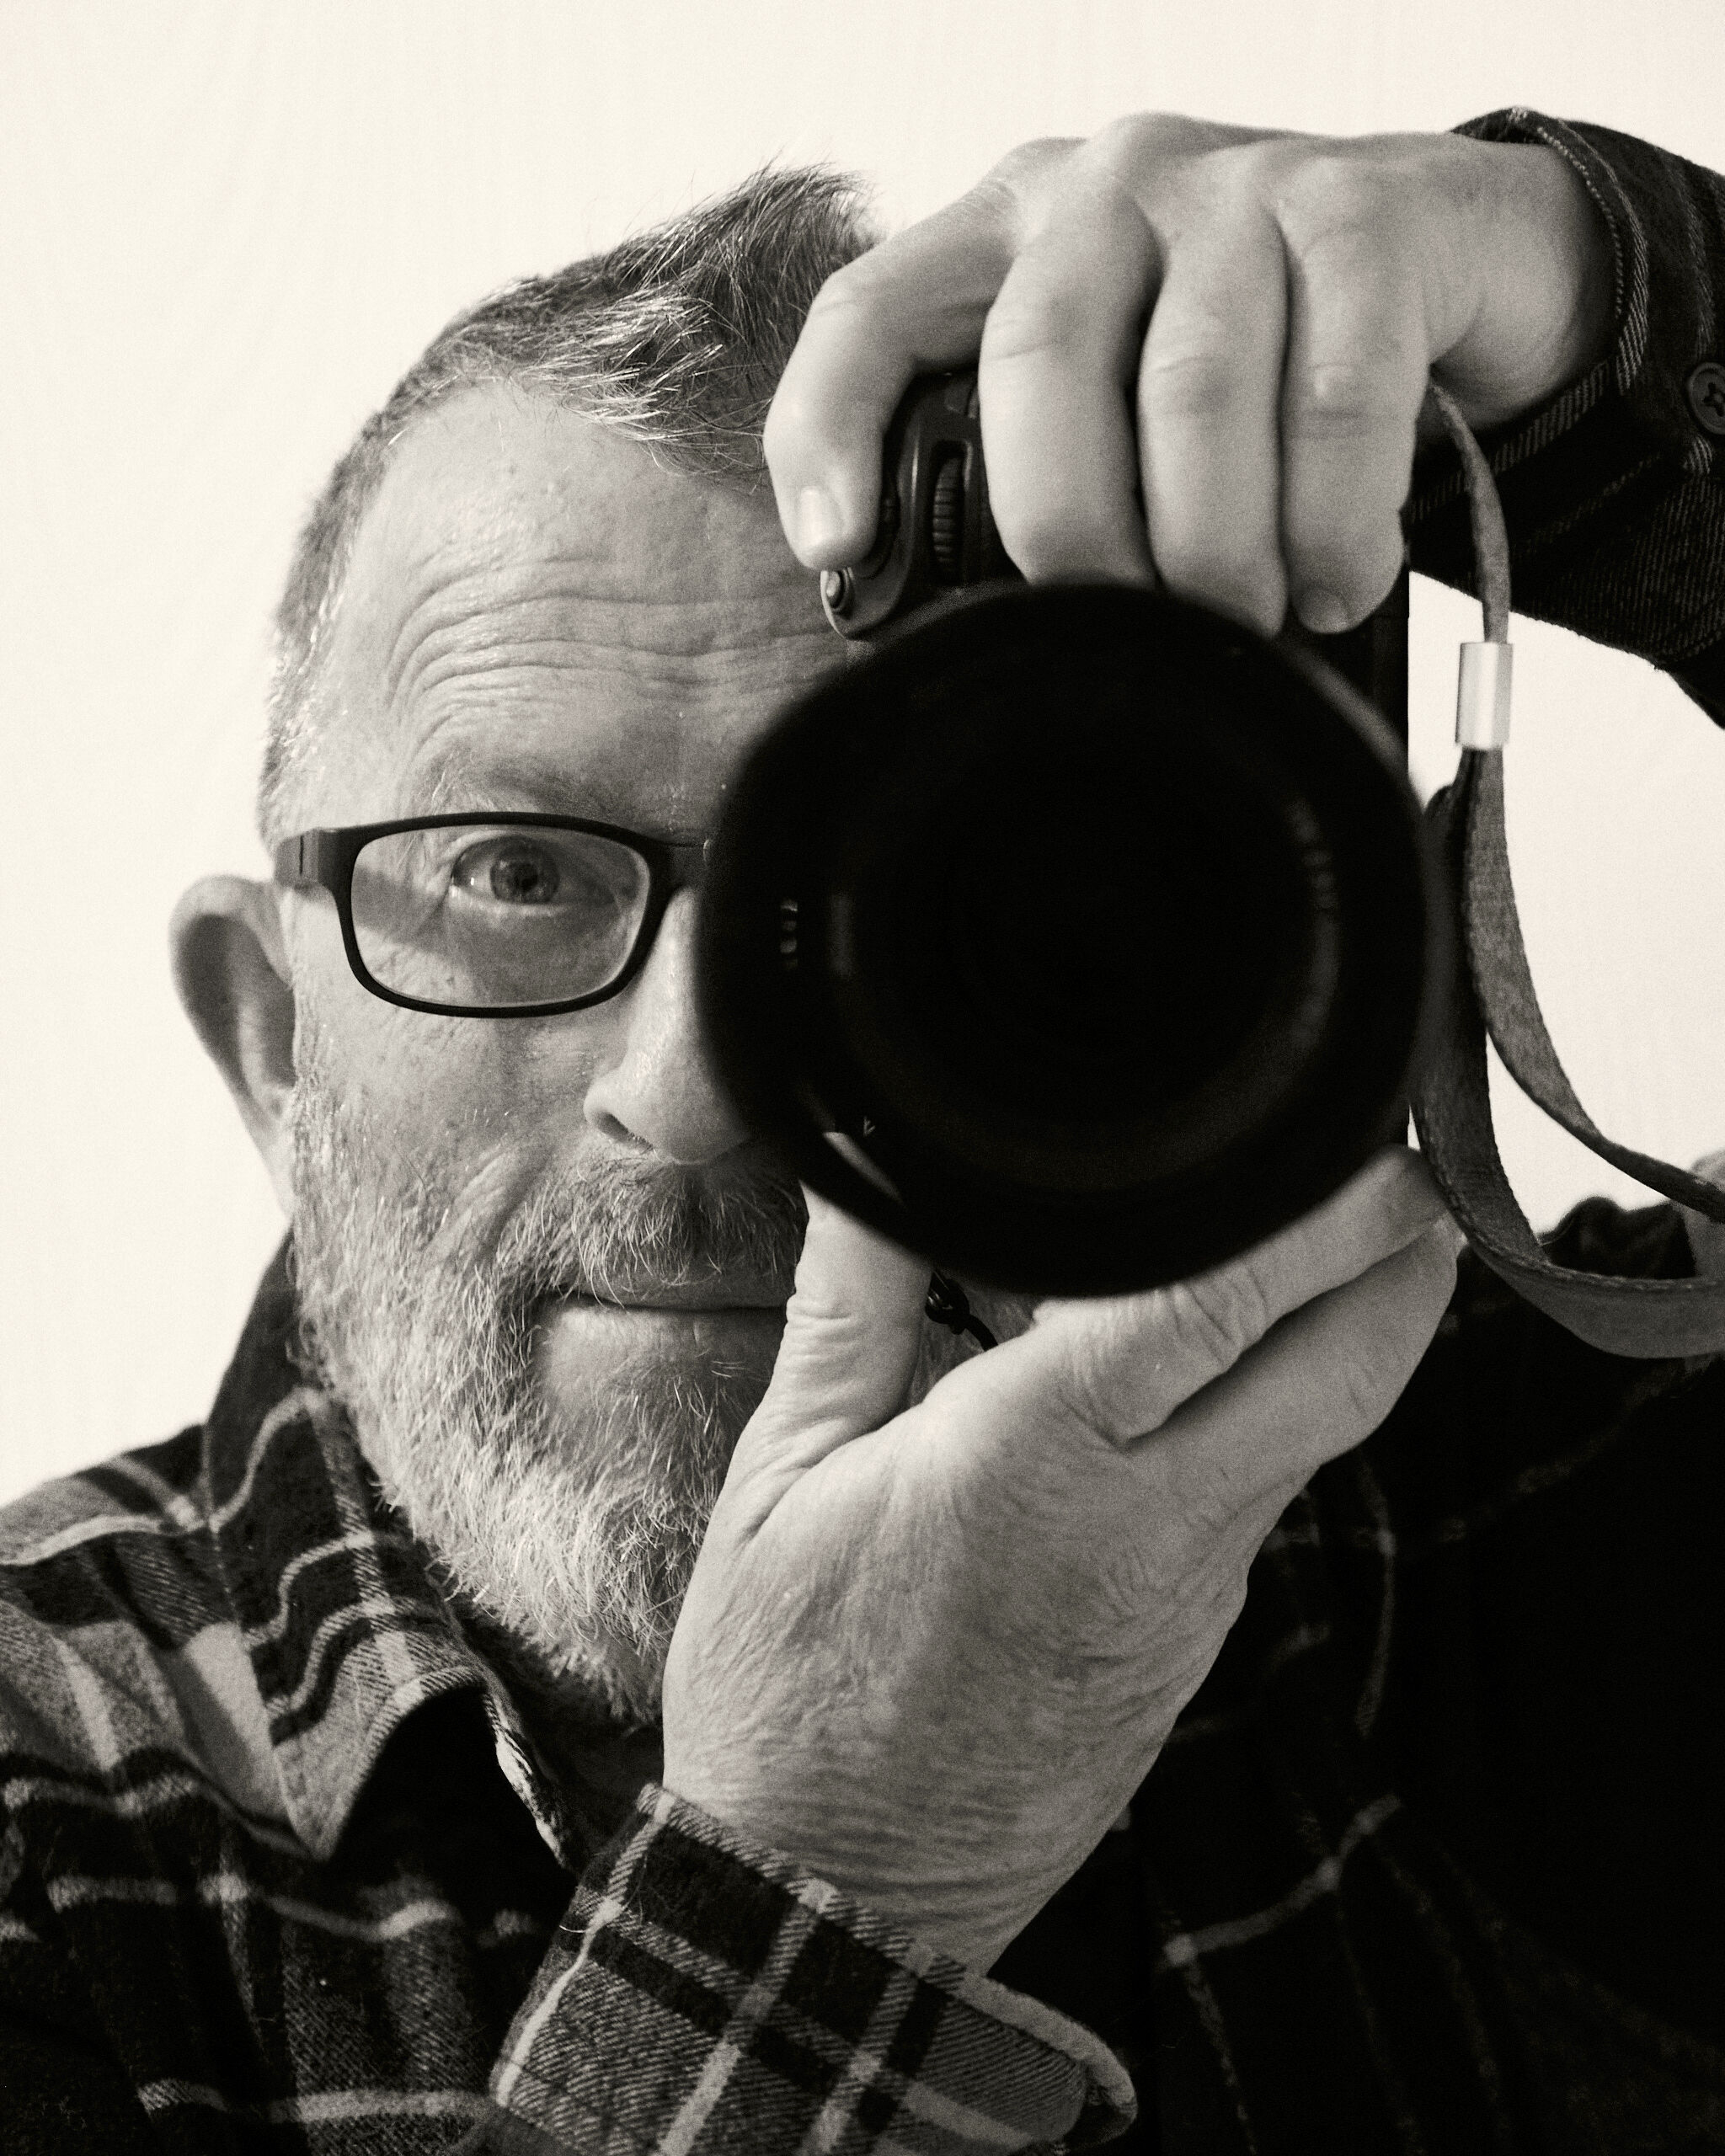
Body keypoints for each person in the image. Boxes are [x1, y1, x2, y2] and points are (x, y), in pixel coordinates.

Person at [3, 104, 1722, 2155]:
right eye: (511, 874)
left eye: (869, 896)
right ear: (268, 1036)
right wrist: (833, 1884)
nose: (693, 1084)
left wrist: (1603, 314)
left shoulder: (1481, 1509)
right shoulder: (43, 1791)